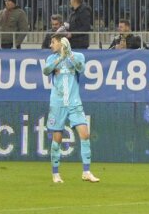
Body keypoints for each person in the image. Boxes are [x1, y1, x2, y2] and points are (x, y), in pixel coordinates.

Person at [42, 29, 100, 184]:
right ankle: (55, 174)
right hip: (58, 104)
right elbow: (46, 71)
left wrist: (69, 55)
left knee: (85, 134)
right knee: (57, 139)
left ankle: (86, 172)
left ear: (62, 42)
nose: (50, 45)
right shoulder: (52, 58)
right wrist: (59, 59)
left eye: (53, 42)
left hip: (74, 103)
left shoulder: (78, 56)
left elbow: (81, 68)